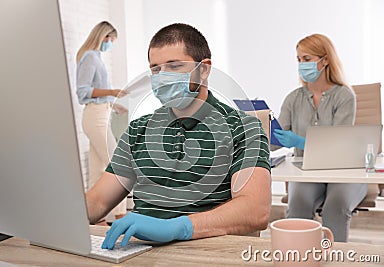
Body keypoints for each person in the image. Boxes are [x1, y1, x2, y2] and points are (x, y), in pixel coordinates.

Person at [85, 23, 271, 249]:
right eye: (155, 69)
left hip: (204, 255)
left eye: (174, 66)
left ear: (204, 69)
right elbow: (98, 201)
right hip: (139, 253)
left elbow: (255, 210)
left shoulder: (243, 128)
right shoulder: (139, 129)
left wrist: (177, 227)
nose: (163, 76)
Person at [273, 33, 367, 242]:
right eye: (298, 60)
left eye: (306, 59)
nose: (301, 65)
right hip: (307, 172)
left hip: (343, 171)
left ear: (325, 60)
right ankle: (298, 258)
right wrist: (258, 131)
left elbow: (338, 145)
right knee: (298, 205)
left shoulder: (344, 96)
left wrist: (299, 141)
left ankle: (335, 260)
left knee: (336, 207)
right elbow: (275, 139)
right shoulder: (293, 98)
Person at [76, 21, 127, 220]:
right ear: (105, 37)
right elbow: (83, 92)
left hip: (101, 114)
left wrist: (115, 104)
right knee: (118, 164)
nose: (111, 44)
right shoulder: (89, 58)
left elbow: (98, 94)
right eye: (112, 40)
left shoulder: (96, 58)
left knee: (97, 169)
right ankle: (120, 215)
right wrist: (113, 92)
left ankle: (92, 220)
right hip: (94, 117)